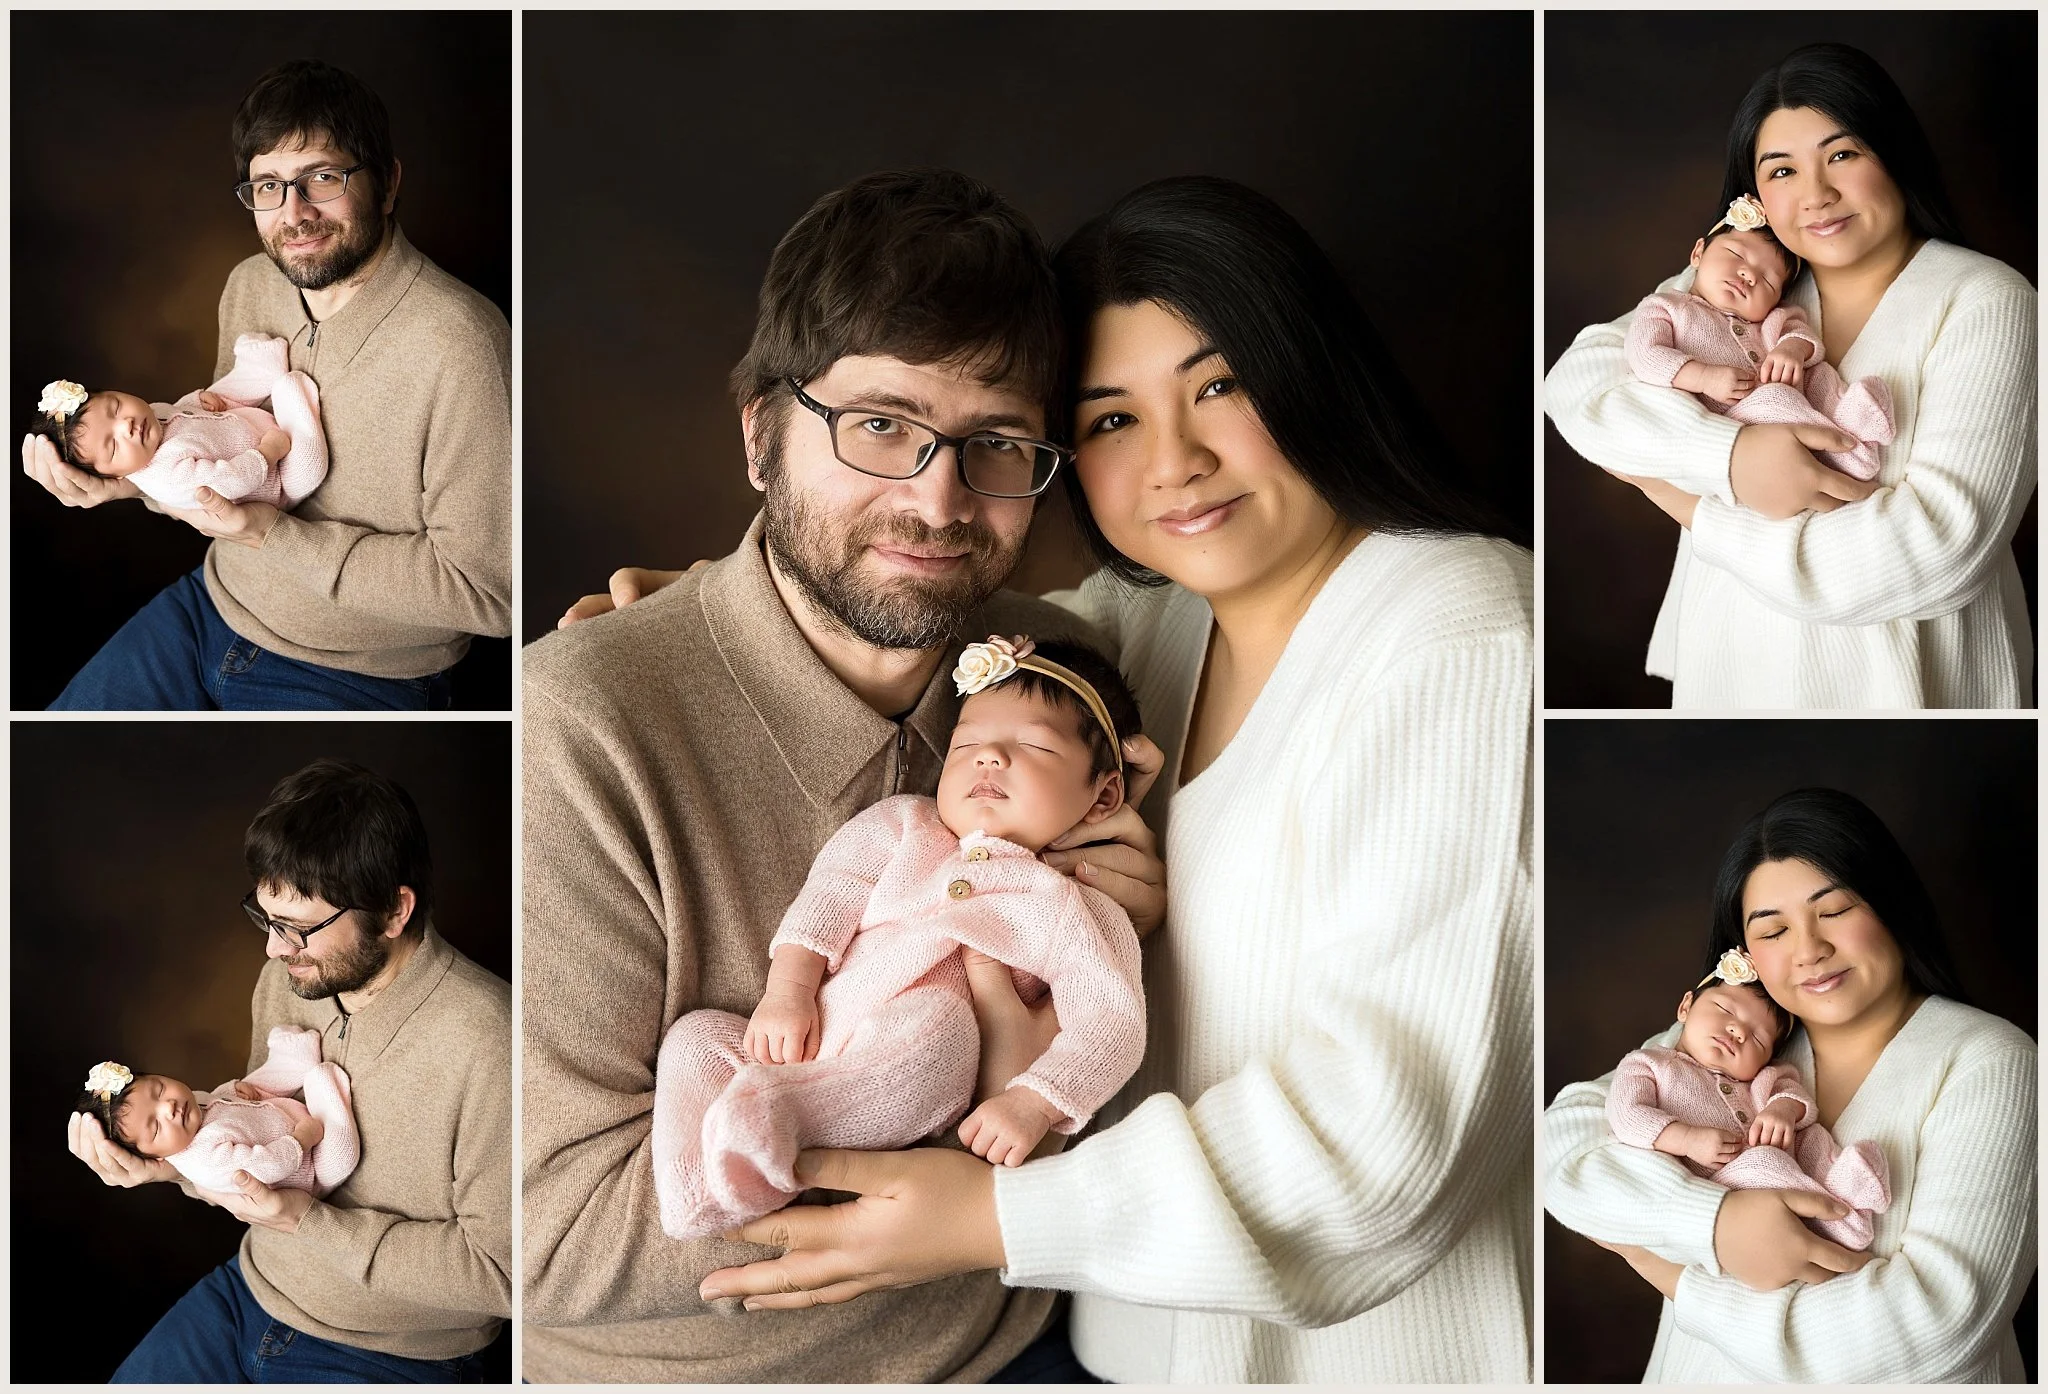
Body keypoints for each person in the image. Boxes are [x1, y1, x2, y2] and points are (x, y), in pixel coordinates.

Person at [568, 175, 1534, 1383]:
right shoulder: (1151, 632)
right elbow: (924, 611)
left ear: (1311, 370)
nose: (1175, 463)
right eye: (1112, 419)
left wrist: (992, 1217)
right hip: (1122, 1349)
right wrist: (718, 610)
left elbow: (1387, 1137)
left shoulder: (1459, 637)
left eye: (1219, 385)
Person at [522, 168, 1166, 1384]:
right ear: (759, 434)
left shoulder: (1054, 673)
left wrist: (1120, 936)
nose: (935, 499)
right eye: (878, 425)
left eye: (994, 443)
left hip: (1016, 1345)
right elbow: (549, 1234)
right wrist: (966, 1191)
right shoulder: (579, 725)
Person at [1546, 43, 2036, 709]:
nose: (1816, 195)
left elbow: (1938, 551)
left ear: (1893, 153)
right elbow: (1577, 383)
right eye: (1782, 170)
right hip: (1731, 670)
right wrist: (1731, 457)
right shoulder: (1742, 287)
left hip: (1900, 690)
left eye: (1843, 154)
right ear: (1754, 198)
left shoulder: (1989, 302)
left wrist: (1686, 501)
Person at [23, 59, 511, 710]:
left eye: (323, 177)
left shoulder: (462, 344)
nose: (294, 213)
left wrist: (272, 536)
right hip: (210, 607)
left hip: (357, 672)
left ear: (388, 183)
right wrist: (129, 483)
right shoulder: (250, 284)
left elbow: (489, 593)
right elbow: (211, 456)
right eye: (269, 186)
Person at [654, 635, 1146, 1239]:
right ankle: (698, 1191)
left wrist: (1033, 1102)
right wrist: (789, 992)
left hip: (920, 1069)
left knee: (939, 1024)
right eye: (966, 744)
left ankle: (788, 1116)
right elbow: (827, 900)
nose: (989, 757)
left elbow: (1111, 1022)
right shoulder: (903, 824)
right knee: (697, 1038)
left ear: (1103, 796)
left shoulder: (1074, 907)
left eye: (1035, 745)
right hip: (809, 1033)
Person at [1545, 788, 2037, 1382]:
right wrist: (1714, 1224)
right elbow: (1562, 1144)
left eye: (1835, 910)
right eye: (1773, 930)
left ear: (1891, 904)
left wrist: (1673, 1274)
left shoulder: (1991, 1062)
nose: (1810, 950)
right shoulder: (1736, 1041)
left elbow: (1935, 1330)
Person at [64, 758, 512, 1382]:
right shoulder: (289, 976)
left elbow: (501, 1274)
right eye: (267, 919)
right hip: (250, 1290)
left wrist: (307, 1221)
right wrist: (168, 1167)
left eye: (299, 929)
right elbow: (244, 1143)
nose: (274, 949)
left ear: (393, 911)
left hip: (391, 1354)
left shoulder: (491, 1043)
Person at [1602, 949, 1889, 1250]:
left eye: (1758, 1039)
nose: (1737, 1031)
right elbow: (1627, 1115)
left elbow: (1793, 1093)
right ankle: (1841, 1223)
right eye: (1724, 1010)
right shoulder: (1649, 1064)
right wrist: (1687, 1140)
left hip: (1783, 1167)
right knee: (1763, 1161)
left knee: (1812, 1139)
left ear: (1766, 1058)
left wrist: (1783, 1109)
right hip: (1726, 1191)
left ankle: (1846, 1183)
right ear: (1685, 1007)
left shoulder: (1758, 1079)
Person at [1624, 196, 1892, 479]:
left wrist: (1792, 349)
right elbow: (1645, 354)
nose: (1748, 275)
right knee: (1775, 398)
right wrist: (1703, 378)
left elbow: (1799, 331)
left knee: (1819, 376)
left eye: (1767, 281)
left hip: (1794, 402)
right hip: (1739, 426)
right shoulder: (1666, 307)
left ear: (1776, 299)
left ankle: (1853, 417)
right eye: (1736, 254)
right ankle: (1848, 456)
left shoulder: (1768, 320)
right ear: (1698, 253)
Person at [32, 333, 328, 510]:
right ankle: (292, 403)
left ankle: (261, 364)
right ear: (116, 478)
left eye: (116, 407)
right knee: (307, 463)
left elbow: (178, 411)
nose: (126, 425)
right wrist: (269, 453)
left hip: (237, 423)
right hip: (277, 478)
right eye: (113, 447)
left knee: (220, 393)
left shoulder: (151, 416)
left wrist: (199, 401)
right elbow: (230, 481)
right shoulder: (167, 479)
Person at [76, 1029, 360, 1197]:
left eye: (159, 1089)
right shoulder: (204, 1162)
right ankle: (324, 1092)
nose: (168, 1107)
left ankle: (293, 1055)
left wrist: (234, 1090)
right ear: (156, 1158)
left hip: (270, 1114)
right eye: (156, 1127)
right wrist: (302, 1140)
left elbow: (214, 1100)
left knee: (254, 1084)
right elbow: (267, 1166)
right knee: (341, 1155)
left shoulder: (191, 1107)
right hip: (308, 1167)